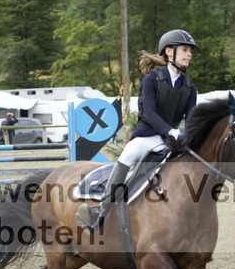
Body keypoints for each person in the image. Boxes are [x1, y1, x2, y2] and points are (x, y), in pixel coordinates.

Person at [77, 29, 198, 231]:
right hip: (147, 137)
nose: (189, 54)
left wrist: (191, 135)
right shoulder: (152, 79)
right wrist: (171, 131)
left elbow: (192, 117)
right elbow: (149, 113)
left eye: (190, 51)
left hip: (172, 142)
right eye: (185, 50)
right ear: (169, 51)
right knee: (128, 157)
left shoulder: (189, 87)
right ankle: (101, 211)